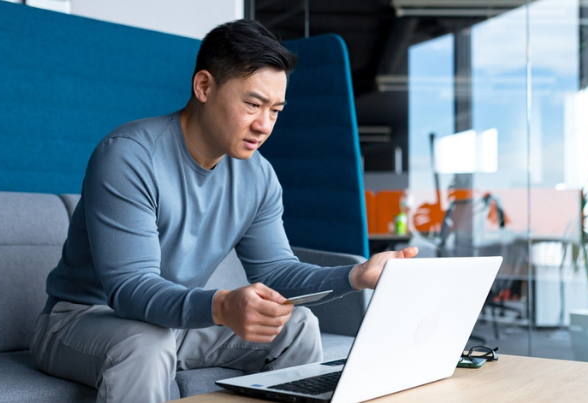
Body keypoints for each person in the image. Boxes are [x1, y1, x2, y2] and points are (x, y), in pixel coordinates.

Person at [29, 18, 417, 403]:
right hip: (83, 320)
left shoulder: (258, 176)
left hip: (172, 325)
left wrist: (356, 275)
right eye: (253, 104)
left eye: (276, 110)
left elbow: (276, 272)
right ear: (204, 86)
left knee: (297, 325)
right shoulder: (129, 156)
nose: (264, 125)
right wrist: (220, 305)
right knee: (146, 343)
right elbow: (130, 289)